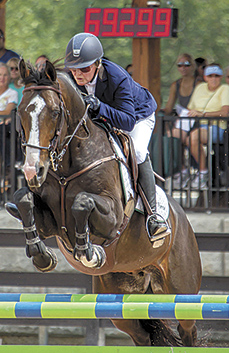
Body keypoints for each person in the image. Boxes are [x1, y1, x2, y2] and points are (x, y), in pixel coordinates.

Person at [64, 32, 170, 244]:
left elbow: (127, 122)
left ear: (98, 64)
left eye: (84, 68)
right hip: (106, 117)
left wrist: (100, 107)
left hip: (138, 116)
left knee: (138, 151)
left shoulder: (116, 77)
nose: (78, 74)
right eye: (73, 69)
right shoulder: (73, 81)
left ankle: (154, 216)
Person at [186, 63, 229, 190]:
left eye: (217, 76)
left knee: (193, 137)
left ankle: (203, 172)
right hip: (196, 125)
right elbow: (190, 108)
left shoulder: (225, 89)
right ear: (205, 77)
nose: (213, 78)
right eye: (210, 75)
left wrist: (203, 114)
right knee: (172, 133)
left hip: (218, 127)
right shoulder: (200, 87)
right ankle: (179, 172)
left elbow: (225, 112)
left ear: (221, 77)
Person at [165, 54, 200, 189]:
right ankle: (182, 169)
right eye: (180, 65)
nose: (183, 68)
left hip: (197, 120)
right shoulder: (176, 84)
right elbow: (169, 107)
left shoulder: (199, 83)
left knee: (182, 136)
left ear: (193, 66)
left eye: (186, 64)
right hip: (183, 121)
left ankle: (199, 171)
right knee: (171, 136)